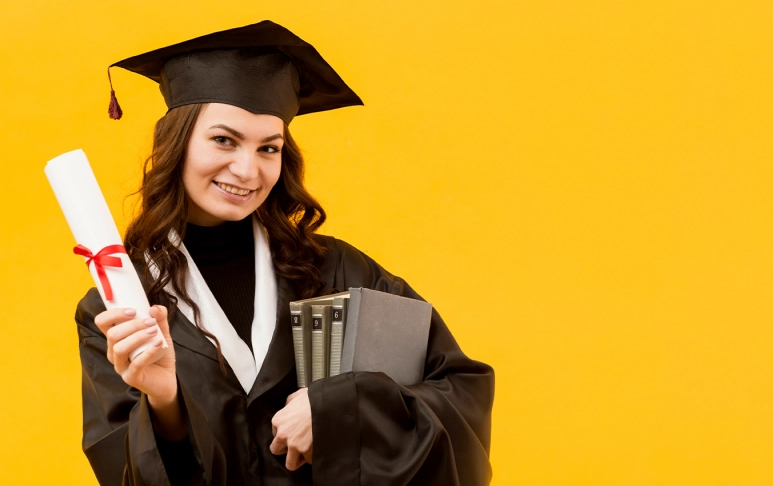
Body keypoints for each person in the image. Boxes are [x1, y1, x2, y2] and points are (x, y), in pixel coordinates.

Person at [76, 20, 494, 486]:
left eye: (268, 147)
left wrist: (340, 410)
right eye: (224, 140)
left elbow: (459, 395)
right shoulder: (120, 310)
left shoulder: (340, 271)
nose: (247, 169)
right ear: (177, 144)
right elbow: (125, 472)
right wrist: (166, 404)